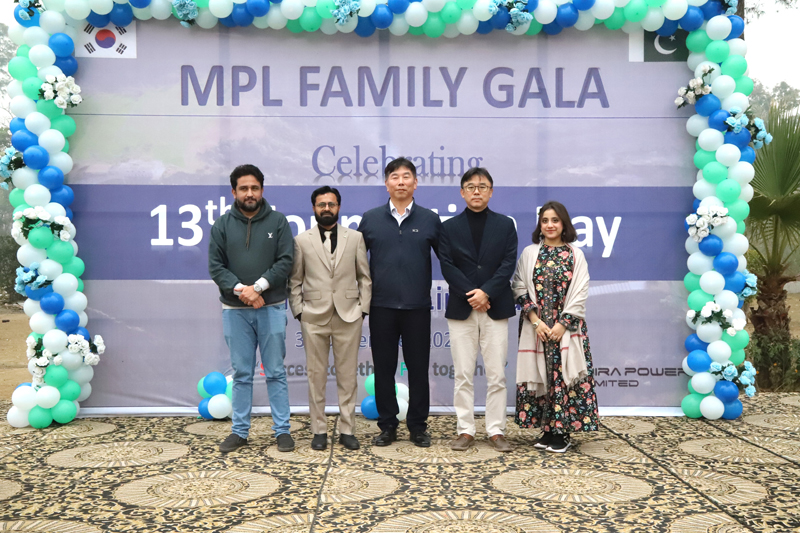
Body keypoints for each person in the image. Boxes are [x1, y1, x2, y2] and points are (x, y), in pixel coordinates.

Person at [209, 164, 295, 454]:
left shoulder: (278, 222)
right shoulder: (222, 225)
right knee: (242, 373)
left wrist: (257, 288)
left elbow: (285, 261)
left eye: (254, 188)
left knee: (275, 372)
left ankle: (282, 431)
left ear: (262, 190)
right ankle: (240, 431)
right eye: (243, 188)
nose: (249, 193)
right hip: (234, 311)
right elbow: (216, 267)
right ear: (233, 192)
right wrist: (242, 291)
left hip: (271, 308)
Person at [358, 157, 442, 448]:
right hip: (381, 307)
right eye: (395, 177)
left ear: (415, 183)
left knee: (418, 369)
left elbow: (449, 260)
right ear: (386, 184)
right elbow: (355, 262)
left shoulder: (430, 219)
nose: (401, 182)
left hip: (417, 307)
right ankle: (388, 426)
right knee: (384, 369)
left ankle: (418, 426)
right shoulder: (371, 219)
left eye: (407, 177)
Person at [439, 168, 518, 453]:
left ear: (491, 192)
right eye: (471, 187)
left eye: (482, 186)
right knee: (463, 373)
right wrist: (474, 295)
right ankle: (466, 429)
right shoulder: (448, 227)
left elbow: (508, 264)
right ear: (462, 192)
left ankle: (496, 430)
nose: (476, 191)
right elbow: (447, 265)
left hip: (495, 306)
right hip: (462, 308)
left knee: (497, 374)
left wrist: (487, 293)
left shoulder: (505, 225)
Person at [511, 201, 599, 453]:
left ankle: (562, 433)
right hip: (536, 328)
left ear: (564, 224)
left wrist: (563, 324)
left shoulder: (575, 255)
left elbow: (580, 292)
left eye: (555, 220)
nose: (550, 225)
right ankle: (548, 430)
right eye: (545, 220)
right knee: (542, 377)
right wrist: (536, 321)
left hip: (566, 330)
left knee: (562, 377)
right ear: (539, 224)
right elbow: (518, 286)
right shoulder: (530, 253)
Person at [289, 186, 372, 451]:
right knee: (316, 377)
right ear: (314, 208)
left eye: (331, 204)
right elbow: (295, 280)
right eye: (321, 204)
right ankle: (319, 430)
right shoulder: (301, 240)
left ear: (339, 207)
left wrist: (363, 309)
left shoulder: (355, 238)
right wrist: (299, 311)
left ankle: (347, 429)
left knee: (348, 377)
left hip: (349, 316)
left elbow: (364, 277)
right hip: (313, 317)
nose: (327, 208)